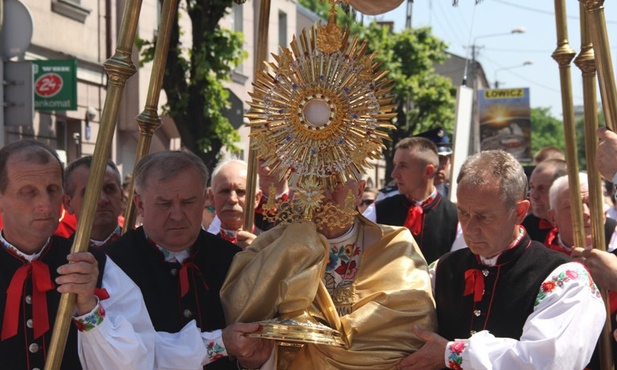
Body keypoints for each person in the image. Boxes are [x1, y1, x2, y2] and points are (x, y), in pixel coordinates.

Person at [397, 150, 605, 370]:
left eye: (483, 216)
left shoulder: (565, 278)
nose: (470, 228)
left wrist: (453, 354)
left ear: (519, 212)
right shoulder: (442, 269)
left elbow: (547, 361)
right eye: (463, 213)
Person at [221, 177, 437, 369]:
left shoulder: (395, 247)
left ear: (360, 190)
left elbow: (408, 329)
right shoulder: (272, 245)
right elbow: (244, 317)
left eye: (336, 182)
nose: (324, 193)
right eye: (313, 181)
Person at [102, 150, 267, 370]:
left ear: (204, 199)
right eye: (165, 204)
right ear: (140, 204)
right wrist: (220, 343)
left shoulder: (232, 260)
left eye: (188, 202)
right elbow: (126, 355)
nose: (178, 215)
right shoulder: (112, 264)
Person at [0, 140, 155, 369]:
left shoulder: (93, 263)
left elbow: (136, 361)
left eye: (52, 190)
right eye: (28, 192)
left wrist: (88, 307)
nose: (45, 204)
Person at [364, 136, 459, 264]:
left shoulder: (455, 218)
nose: (394, 174)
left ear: (428, 171)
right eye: (395, 165)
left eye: (403, 166)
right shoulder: (378, 211)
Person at [547, 173, 617, 254]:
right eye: (574, 206)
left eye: (591, 204)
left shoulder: (614, 241)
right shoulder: (542, 248)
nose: (585, 213)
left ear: (604, 213)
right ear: (553, 217)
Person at [63, 155, 124, 247]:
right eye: (90, 193)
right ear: (68, 203)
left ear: (121, 196)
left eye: (109, 189)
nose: (102, 200)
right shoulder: (59, 258)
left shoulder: (146, 250)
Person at [207, 159, 261, 249]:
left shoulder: (271, 246)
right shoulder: (201, 249)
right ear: (212, 197)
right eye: (224, 191)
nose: (232, 199)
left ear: (256, 199)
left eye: (240, 192)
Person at [522, 158, 567, 244]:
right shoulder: (525, 228)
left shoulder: (582, 224)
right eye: (532, 187)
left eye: (542, 189)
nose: (533, 195)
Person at [254, 159, 292, 231]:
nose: (266, 169)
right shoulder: (243, 199)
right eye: (261, 160)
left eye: (275, 161)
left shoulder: (302, 204)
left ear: (291, 165)